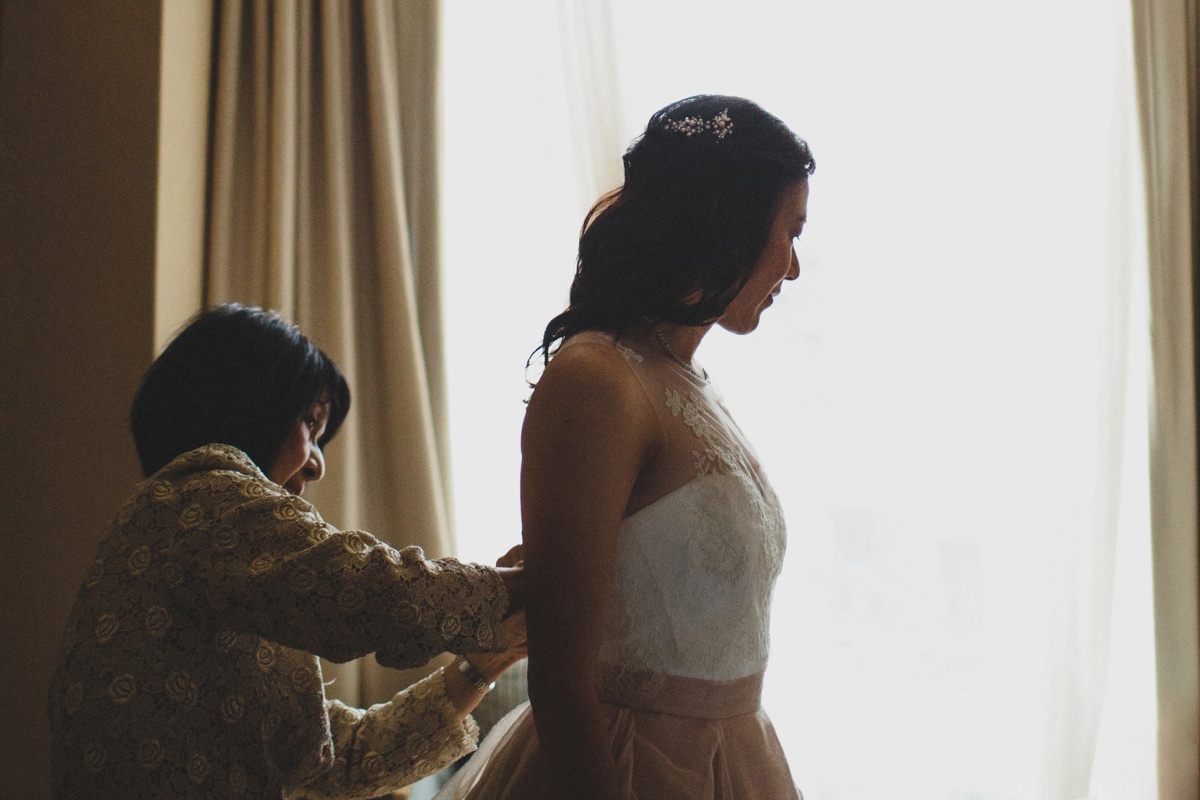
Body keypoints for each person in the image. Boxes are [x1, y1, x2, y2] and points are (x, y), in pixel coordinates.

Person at [435, 95, 814, 800]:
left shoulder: (691, 383)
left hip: (735, 760)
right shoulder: (597, 380)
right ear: (728, 225)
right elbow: (559, 672)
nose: (792, 269)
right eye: (790, 232)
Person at [47, 303, 528, 799]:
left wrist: (487, 660)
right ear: (248, 405)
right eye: (310, 424)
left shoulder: (207, 545)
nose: (317, 464)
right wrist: (519, 584)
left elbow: (336, 759)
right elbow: (360, 591)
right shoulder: (202, 498)